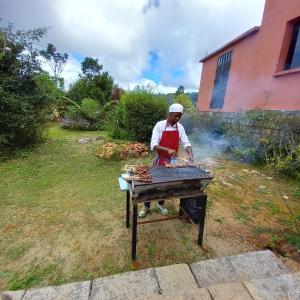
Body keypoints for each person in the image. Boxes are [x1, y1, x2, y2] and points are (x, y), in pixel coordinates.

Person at [139, 103, 194, 218]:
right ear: (169, 114)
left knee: (167, 183)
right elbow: (153, 144)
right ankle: (146, 205)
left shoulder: (180, 127)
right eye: (175, 116)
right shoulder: (160, 126)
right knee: (153, 183)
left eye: (179, 116)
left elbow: (186, 142)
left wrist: (190, 153)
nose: (177, 119)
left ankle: (160, 203)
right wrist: (167, 149)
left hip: (173, 160)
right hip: (160, 159)